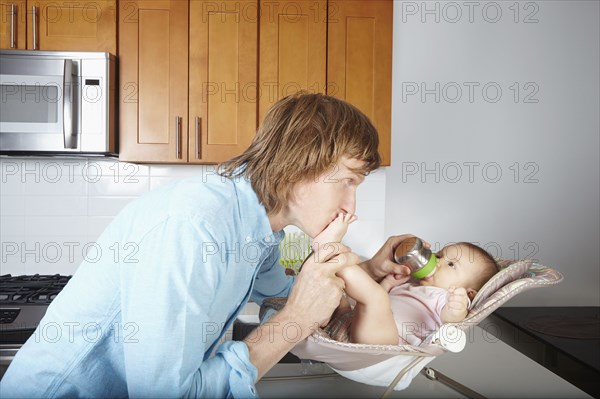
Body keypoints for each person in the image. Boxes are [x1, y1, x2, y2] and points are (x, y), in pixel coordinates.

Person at [0, 93, 415, 398]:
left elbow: (288, 291)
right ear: (299, 162)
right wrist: (296, 321)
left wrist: (371, 271)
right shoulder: (194, 229)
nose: (351, 207)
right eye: (347, 181)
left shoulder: (260, 228)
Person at [315, 214, 499, 346]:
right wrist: (388, 283)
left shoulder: (450, 297)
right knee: (340, 293)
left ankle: (329, 250)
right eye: (440, 255)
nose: (438, 261)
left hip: (384, 343)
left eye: (451, 265)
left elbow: (452, 319)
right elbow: (385, 301)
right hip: (348, 325)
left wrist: (458, 305)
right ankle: (329, 258)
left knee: (374, 296)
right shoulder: (412, 285)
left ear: (468, 292)